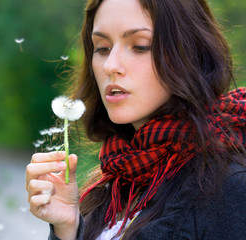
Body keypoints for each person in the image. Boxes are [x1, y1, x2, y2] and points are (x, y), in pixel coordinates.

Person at [25, 0, 246, 239]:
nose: (110, 66)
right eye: (102, 48)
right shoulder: (116, 179)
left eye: (140, 46)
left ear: (190, 52)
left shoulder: (229, 187)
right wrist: (67, 229)